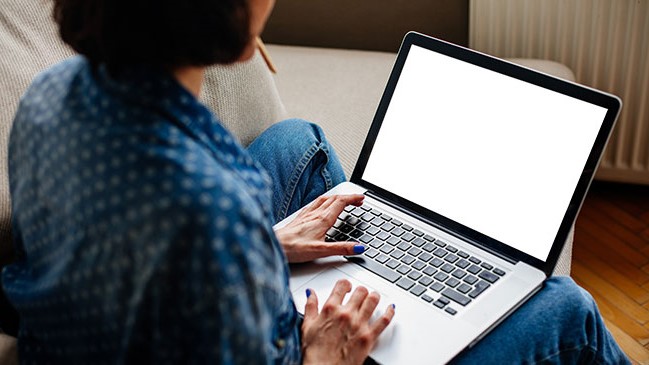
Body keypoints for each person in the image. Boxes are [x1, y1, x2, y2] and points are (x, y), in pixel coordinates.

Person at [2, 0, 630, 363]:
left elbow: (129, 259)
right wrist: (325, 349)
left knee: (295, 143)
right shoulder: (214, 211)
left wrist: (264, 246)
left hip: (91, 335)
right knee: (568, 309)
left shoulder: (52, 95)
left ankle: (383, 258)